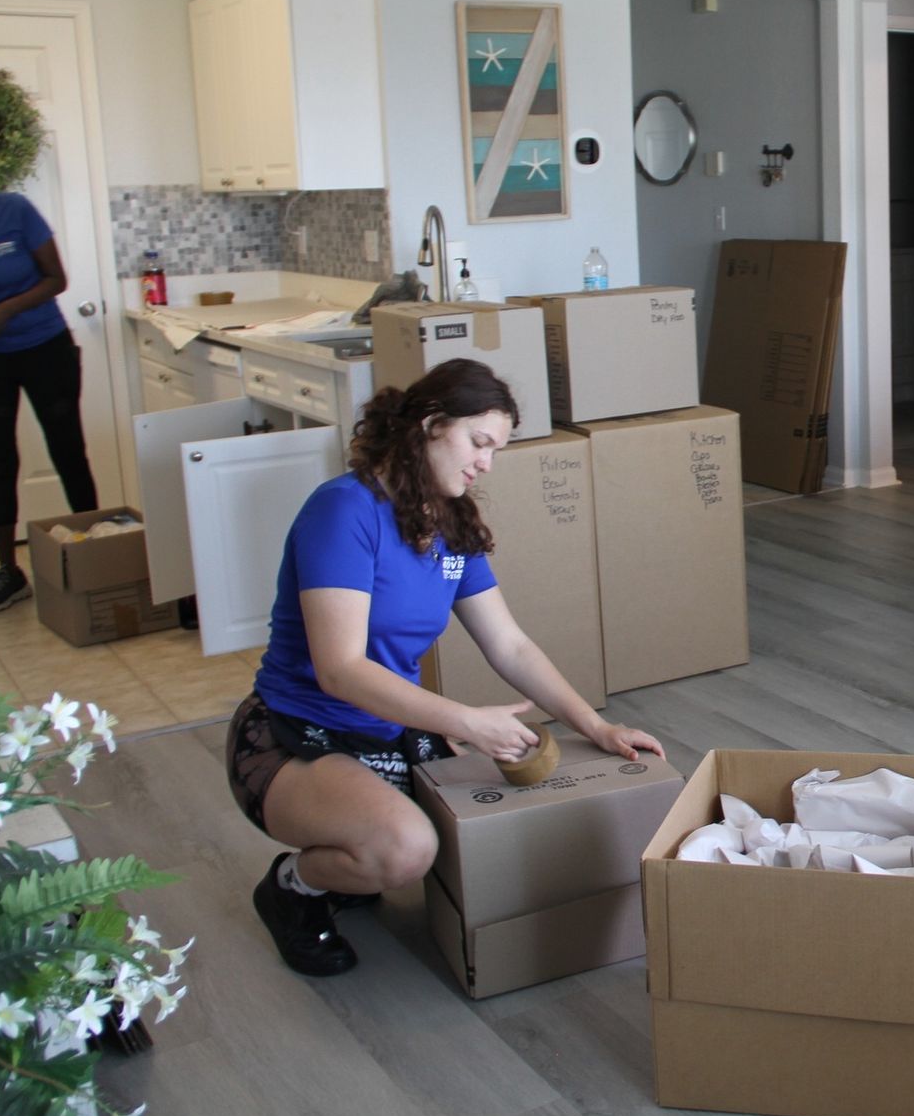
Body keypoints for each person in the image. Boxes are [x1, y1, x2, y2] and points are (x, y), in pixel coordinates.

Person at [226, 358, 664, 975]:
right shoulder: (343, 512)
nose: (487, 463)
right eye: (479, 442)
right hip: (295, 732)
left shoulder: (449, 520)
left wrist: (596, 726)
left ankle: (352, 855)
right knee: (408, 848)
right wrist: (466, 720)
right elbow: (340, 669)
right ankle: (292, 887)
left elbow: (509, 645)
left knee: (469, 828)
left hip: (388, 727)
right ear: (431, 425)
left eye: (496, 450)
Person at [0, 188, 97, 613]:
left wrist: (6, 309)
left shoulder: (13, 210)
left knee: (67, 450)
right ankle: (8, 571)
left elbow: (56, 279)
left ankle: (93, 550)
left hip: (46, 348)